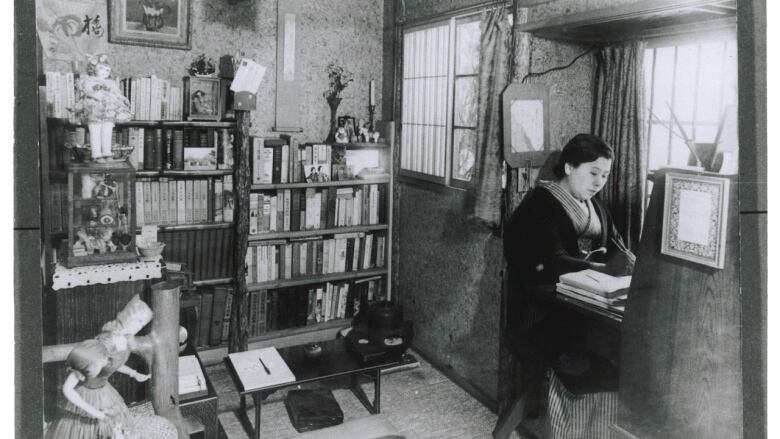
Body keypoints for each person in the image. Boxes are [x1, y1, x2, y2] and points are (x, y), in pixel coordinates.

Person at [45, 295, 177, 439]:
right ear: (128, 317)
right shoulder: (103, 343)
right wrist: (93, 412)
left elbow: (112, 364)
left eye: (143, 322)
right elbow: (67, 388)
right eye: (138, 320)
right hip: (86, 394)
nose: (140, 325)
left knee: (113, 427)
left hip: (104, 392)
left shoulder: (124, 341)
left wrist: (134, 373)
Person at [72, 54, 133, 163]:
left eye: (107, 70)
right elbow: (86, 91)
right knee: (95, 131)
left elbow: (117, 93)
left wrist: (123, 99)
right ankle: (96, 155)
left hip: (108, 110)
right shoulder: (88, 81)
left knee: (107, 131)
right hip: (94, 109)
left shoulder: (111, 83)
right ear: (93, 69)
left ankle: (107, 153)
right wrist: (96, 95)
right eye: (101, 68)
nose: (104, 71)